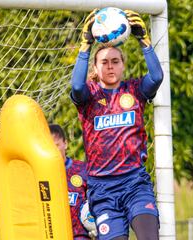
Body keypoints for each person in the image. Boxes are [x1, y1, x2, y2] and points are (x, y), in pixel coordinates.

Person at [70, 9, 163, 240]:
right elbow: (77, 87)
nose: (110, 66)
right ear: (96, 68)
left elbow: (157, 77)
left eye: (115, 61)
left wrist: (144, 40)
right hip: (102, 190)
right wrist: (85, 45)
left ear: (123, 65)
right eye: (104, 62)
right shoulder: (89, 97)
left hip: (134, 182)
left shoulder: (134, 90)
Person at [49, 124, 96, 240]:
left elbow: (98, 199)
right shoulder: (40, 174)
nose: (53, 151)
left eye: (56, 146)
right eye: (48, 147)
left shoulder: (82, 170)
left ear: (65, 144)